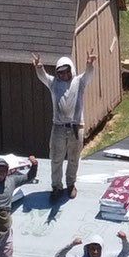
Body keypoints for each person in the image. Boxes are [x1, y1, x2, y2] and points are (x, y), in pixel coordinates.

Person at [32, 53, 91, 197]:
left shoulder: (79, 82)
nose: (64, 74)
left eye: (66, 71)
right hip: (58, 127)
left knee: (73, 158)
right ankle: (56, 187)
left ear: (71, 70)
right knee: (56, 158)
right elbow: (43, 76)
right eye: (60, 72)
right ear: (57, 73)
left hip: (76, 127)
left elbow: (89, 74)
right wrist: (39, 67)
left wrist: (89, 64)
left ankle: (71, 184)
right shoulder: (54, 84)